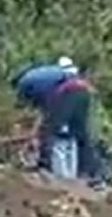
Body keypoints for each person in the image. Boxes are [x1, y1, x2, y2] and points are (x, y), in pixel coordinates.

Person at [14, 57, 104, 189]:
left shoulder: (25, 85)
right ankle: (90, 174)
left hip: (67, 94)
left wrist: (38, 134)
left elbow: (44, 112)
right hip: (83, 92)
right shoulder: (45, 76)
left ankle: (53, 172)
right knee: (78, 134)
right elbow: (45, 111)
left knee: (53, 133)